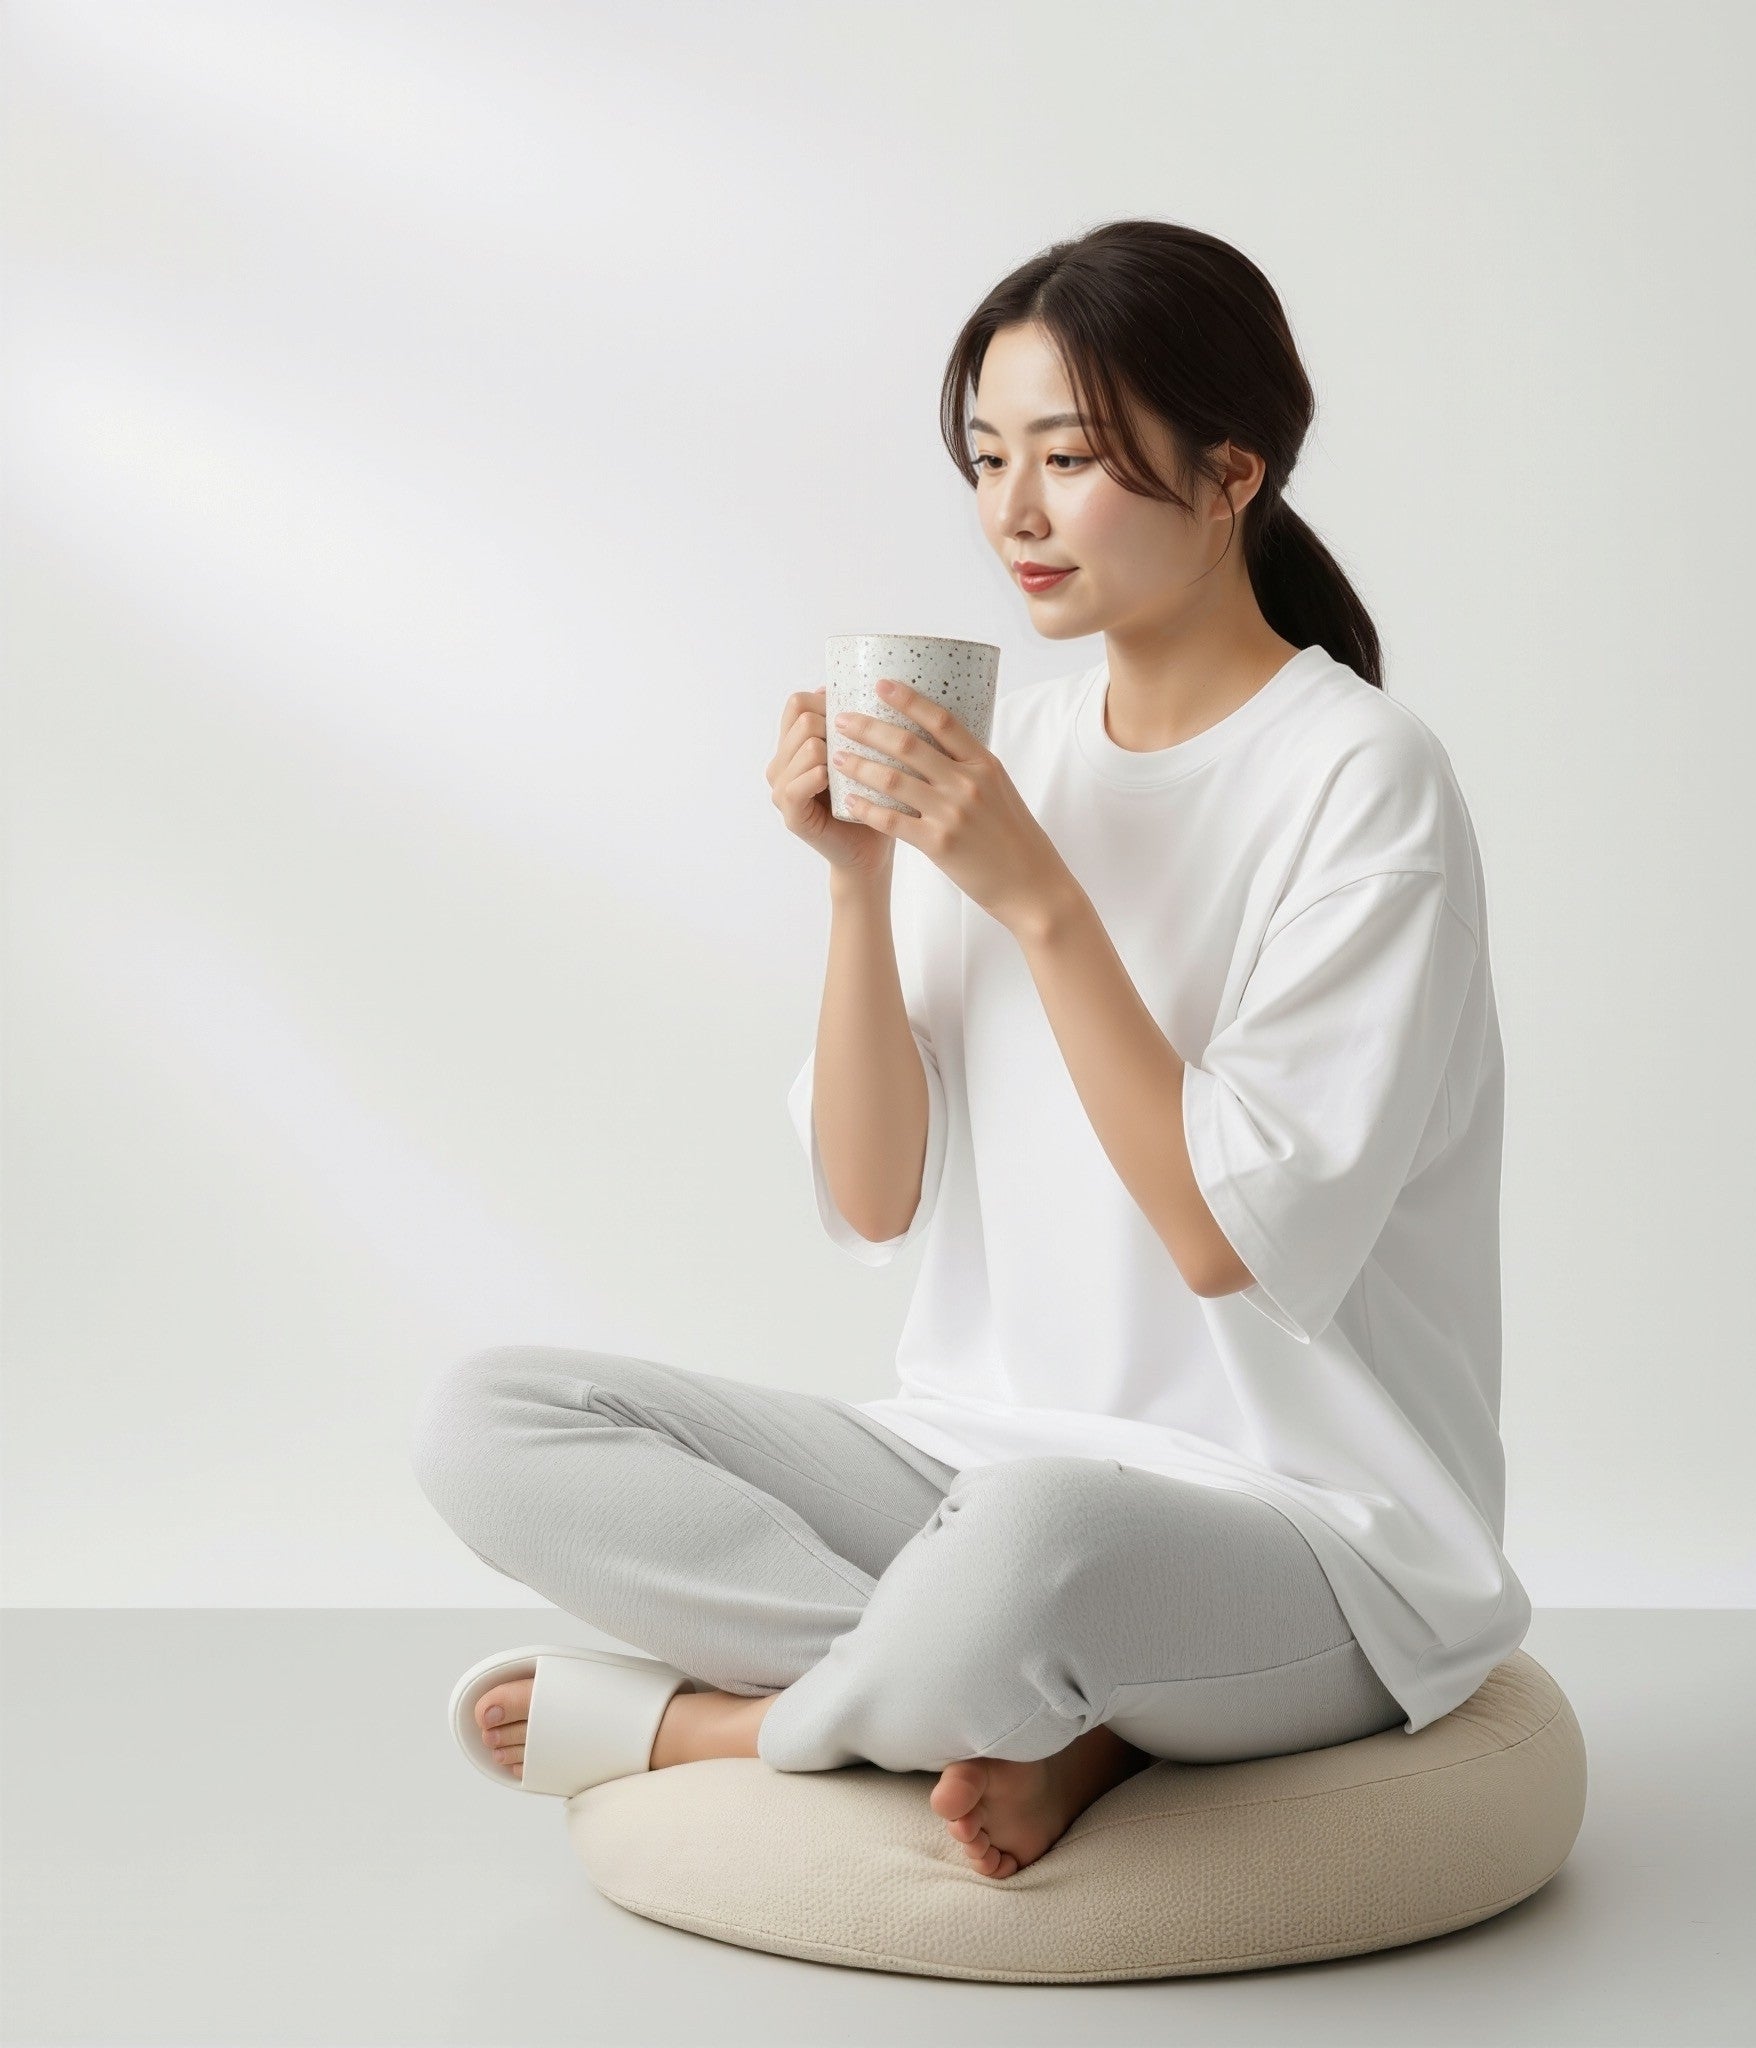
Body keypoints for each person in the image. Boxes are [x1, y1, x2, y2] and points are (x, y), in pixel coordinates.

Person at [412, 218, 1530, 1883]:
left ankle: (730, 1725)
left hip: (1304, 1521)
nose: (1013, 512)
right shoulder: (1009, 756)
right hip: (977, 1452)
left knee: (1031, 1544)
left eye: (1070, 459)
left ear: (1233, 474)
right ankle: (1013, 1707)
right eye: (988, 457)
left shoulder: (1360, 780)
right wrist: (861, 888)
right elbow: (876, 1201)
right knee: (493, 1416)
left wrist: (1040, 902)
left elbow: (1228, 1239)